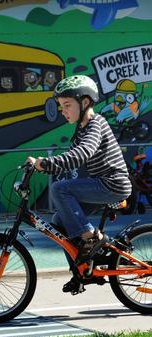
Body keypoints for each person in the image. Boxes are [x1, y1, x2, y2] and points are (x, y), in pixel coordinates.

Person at [25, 75, 131, 292]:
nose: (63, 111)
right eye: (61, 106)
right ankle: (82, 271)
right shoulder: (82, 129)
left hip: (112, 184)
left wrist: (44, 163)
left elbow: (81, 155)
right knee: (60, 222)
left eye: (67, 105)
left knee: (58, 189)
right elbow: (71, 159)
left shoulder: (95, 124)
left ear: (84, 103)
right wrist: (41, 166)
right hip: (99, 183)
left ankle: (91, 238)